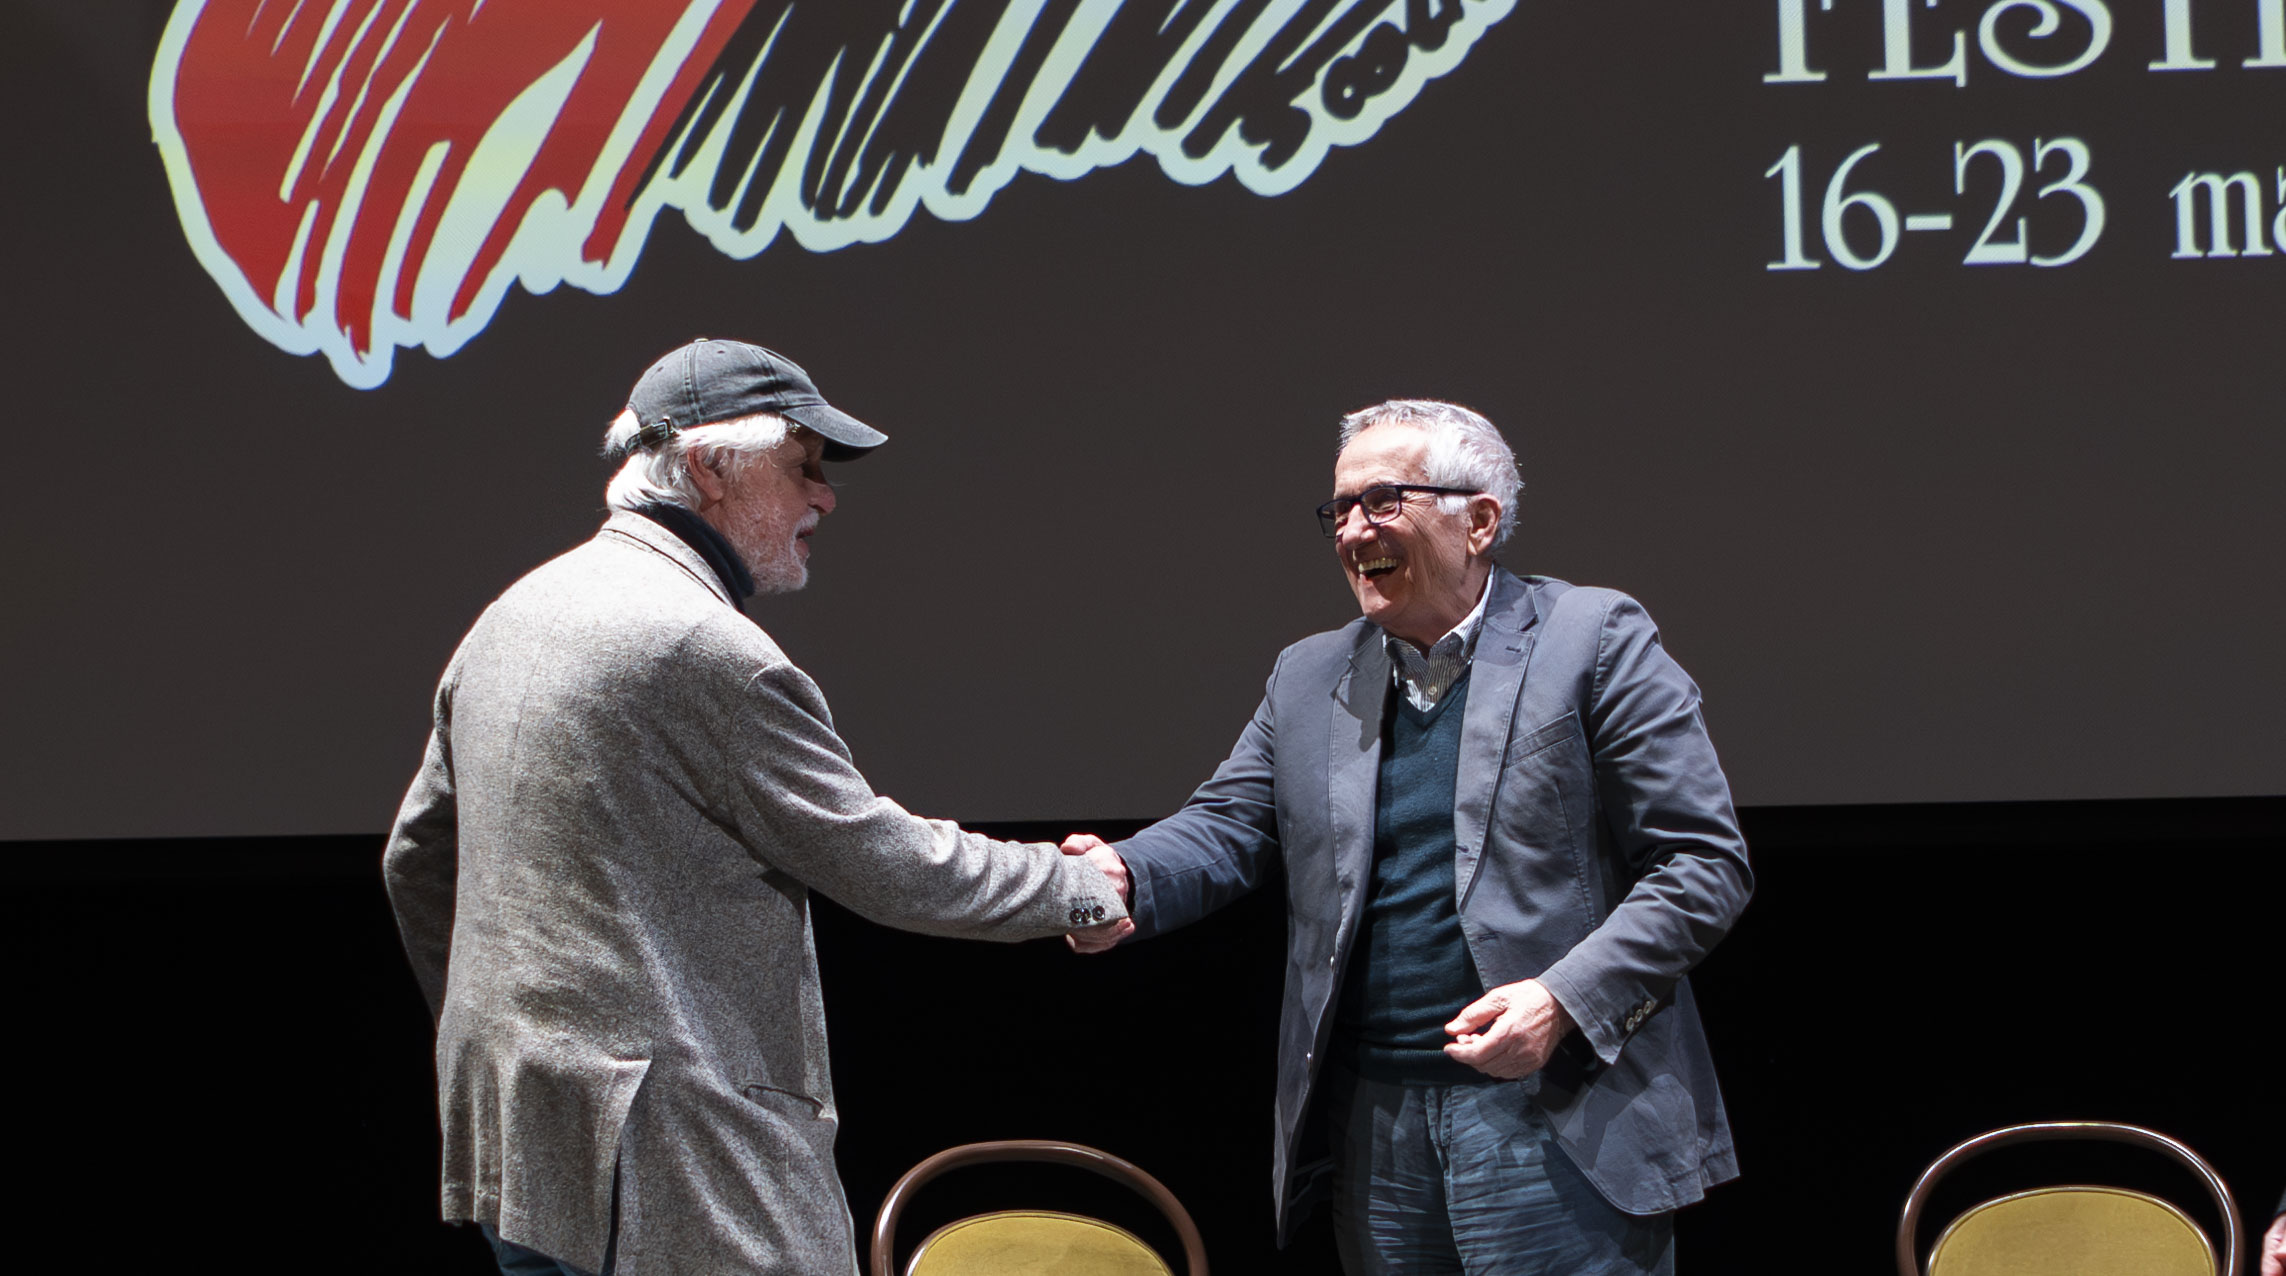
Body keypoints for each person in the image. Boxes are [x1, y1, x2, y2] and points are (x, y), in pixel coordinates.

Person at [383, 339, 1129, 1276]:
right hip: (667, 1159)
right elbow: (884, 863)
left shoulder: (511, 616)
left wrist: (510, 1038)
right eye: (802, 466)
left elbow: (415, 859)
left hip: (523, 1147)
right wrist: (1076, 887)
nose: (825, 496)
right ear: (709, 469)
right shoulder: (704, 649)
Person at [1065, 400, 1752, 1274]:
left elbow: (1702, 864)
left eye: (1383, 501)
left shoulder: (1594, 639)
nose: (1354, 531)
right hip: (1375, 1126)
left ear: (1480, 522)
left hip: (1558, 1115)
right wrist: (1125, 872)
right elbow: (1229, 824)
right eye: (1340, 509)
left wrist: (1562, 1000)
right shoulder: (1310, 673)